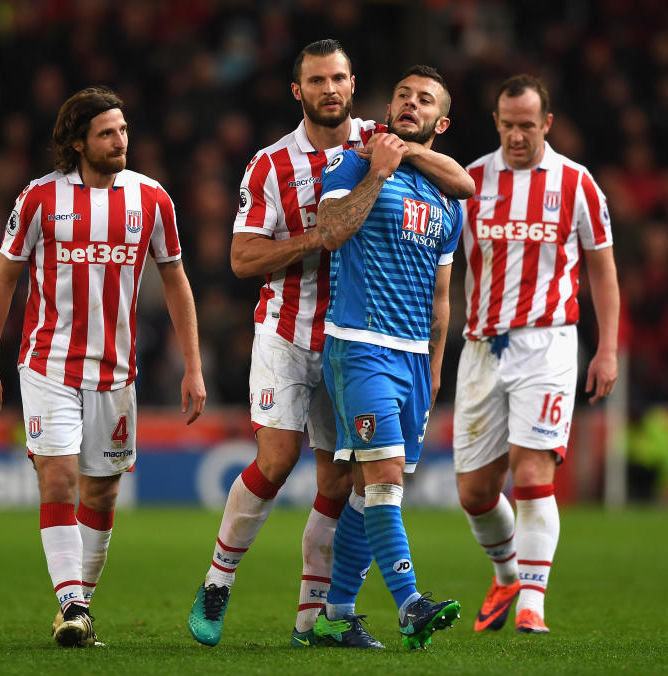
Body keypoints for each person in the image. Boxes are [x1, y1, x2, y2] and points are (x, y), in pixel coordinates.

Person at [187, 41, 474, 649]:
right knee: (276, 459)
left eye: (340, 77)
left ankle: (313, 619)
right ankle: (218, 580)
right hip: (289, 328)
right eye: (317, 80)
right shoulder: (269, 166)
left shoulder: (379, 137)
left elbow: (458, 182)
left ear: (352, 82)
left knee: (340, 482)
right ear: (299, 91)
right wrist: (314, 238)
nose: (330, 89)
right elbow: (241, 259)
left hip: (353, 336)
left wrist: (401, 157)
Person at [0, 86, 206, 648]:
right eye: (106, 133)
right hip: (47, 363)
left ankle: (79, 611)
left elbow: (175, 280)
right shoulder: (39, 199)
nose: (120, 140)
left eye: (123, 130)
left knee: (100, 496)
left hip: (116, 374)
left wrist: (193, 366)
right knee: (57, 476)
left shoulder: (152, 200)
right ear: (77, 143)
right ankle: (71, 600)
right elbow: (4, 279)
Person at [453, 74, 620, 635]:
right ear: (496, 122)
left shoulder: (576, 183)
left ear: (547, 123)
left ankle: (533, 605)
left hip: (549, 342)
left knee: (531, 470)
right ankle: (506, 576)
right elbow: (442, 270)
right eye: (508, 125)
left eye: (528, 125)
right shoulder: (470, 181)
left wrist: (608, 349)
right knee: (475, 493)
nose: (517, 135)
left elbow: (602, 268)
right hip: (480, 347)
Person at [312, 65, 465, 651]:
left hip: (414, 362)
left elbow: (441, 298)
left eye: (424, 99)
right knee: (382, 478)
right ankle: (409, 604)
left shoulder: (448, 196)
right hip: (360, 345)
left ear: (440, 122)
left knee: (368, 492)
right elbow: (329, 230)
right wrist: (377, 172)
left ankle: (335, 614)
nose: (410, 103)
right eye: (402, 94)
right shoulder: (354, 161)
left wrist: (435, 367)